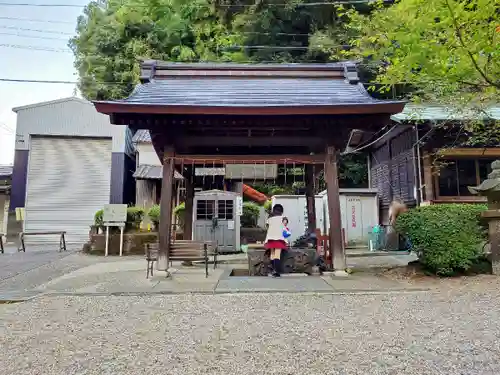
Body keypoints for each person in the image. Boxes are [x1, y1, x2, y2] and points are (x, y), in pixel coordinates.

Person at [264, 204, 288, 277]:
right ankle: (276, 271)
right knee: (277, 254)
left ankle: (272, 269)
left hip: (270, 238)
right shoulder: (284, 218)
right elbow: (285, 225)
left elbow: (267, 227)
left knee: (272, 254)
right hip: (279, 239)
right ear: (281, 211)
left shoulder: (269, 219)